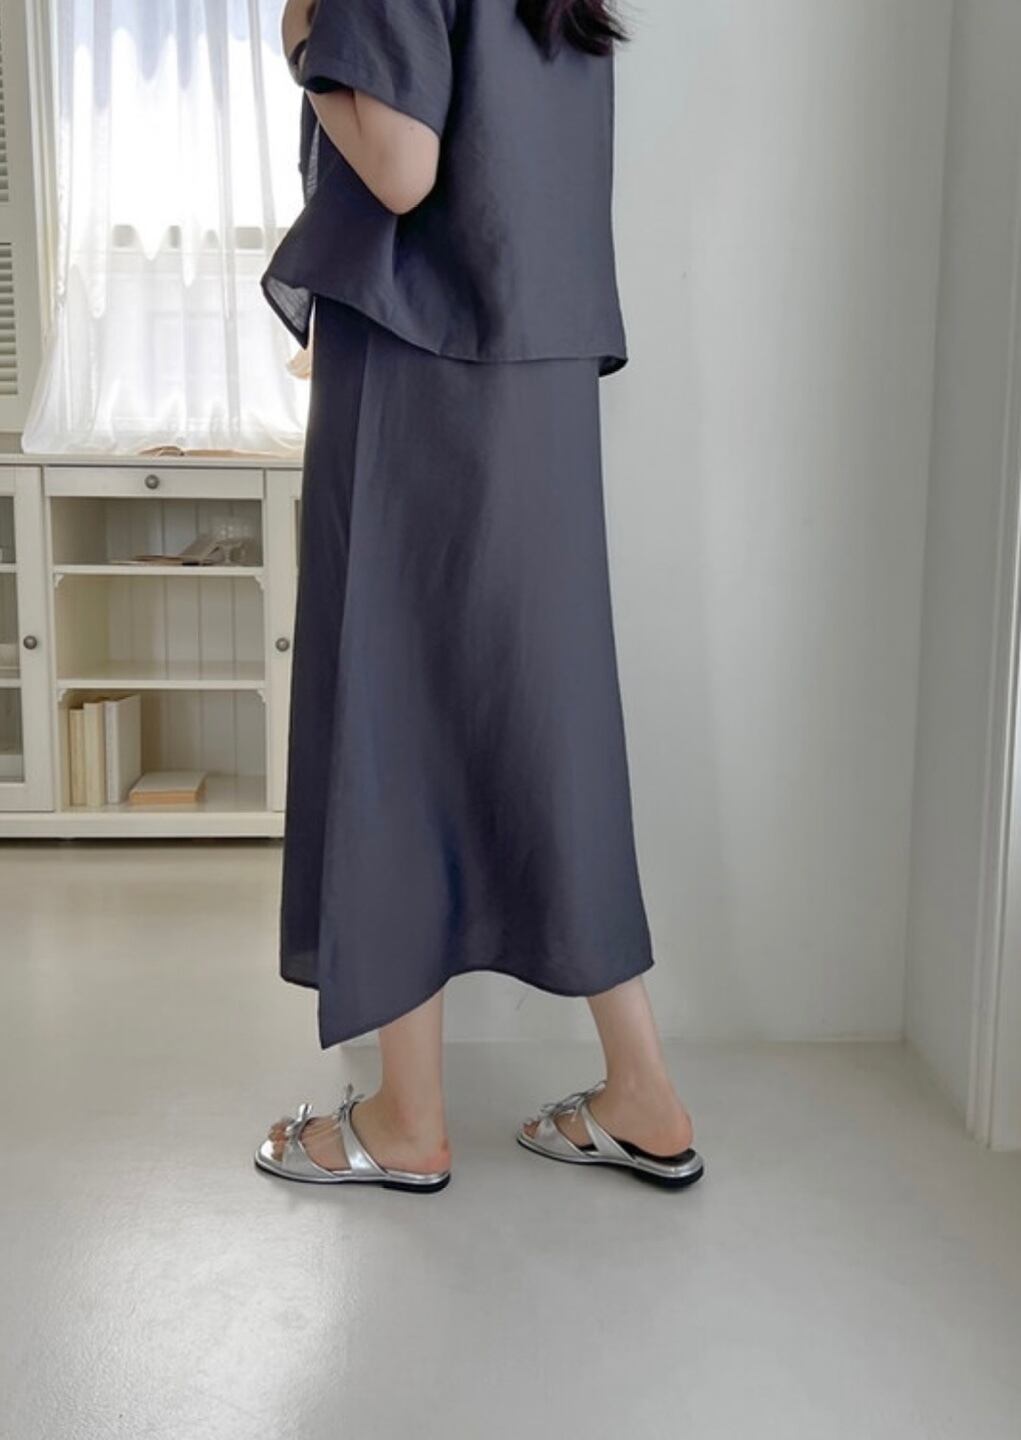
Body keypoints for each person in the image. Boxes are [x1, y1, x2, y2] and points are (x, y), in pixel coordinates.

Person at [255, 0, 703, 1193]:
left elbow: (401, 170)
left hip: (421, 362)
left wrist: (302, 42)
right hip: (536, 363)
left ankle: (407, 1120)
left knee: (389, 709)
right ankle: (644, 1092)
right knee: (547, 717)